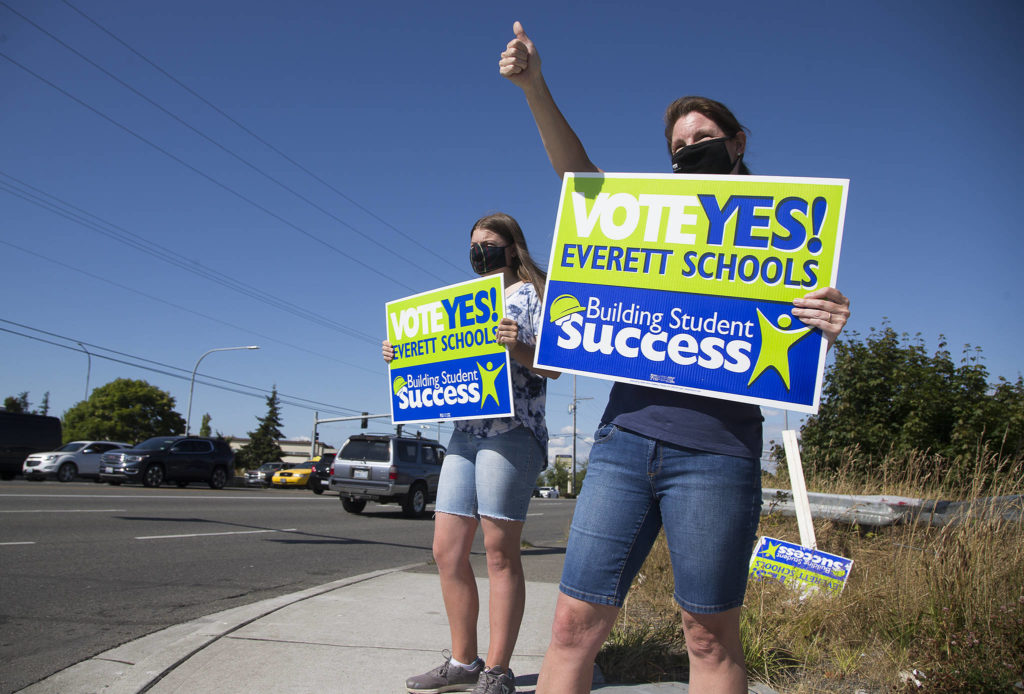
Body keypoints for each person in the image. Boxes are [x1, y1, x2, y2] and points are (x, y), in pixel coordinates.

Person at [499, 22, 851, 694]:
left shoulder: (786, 232)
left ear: (739, 142)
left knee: (707, 637)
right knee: (573, 626)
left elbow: (799, 331)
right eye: (679, 145)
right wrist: (534, 87)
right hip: (624, 443)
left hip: (718, 454)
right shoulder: (647, 218)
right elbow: (581, 181)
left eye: (704, 138)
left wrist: (824, 323)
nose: (692, 149)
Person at [384, 212, 560, 694]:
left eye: (488, 243)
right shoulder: (461, 303)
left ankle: (498, 672)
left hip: (512, 431)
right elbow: (442, 357)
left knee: (500, 553)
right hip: (465, 433)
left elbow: (555, 367)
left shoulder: (535, 294)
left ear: (511, 247)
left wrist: (518, 344)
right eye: (473, 244)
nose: (479, 251)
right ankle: (463, 661)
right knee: (446, 550)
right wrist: (404, 354)